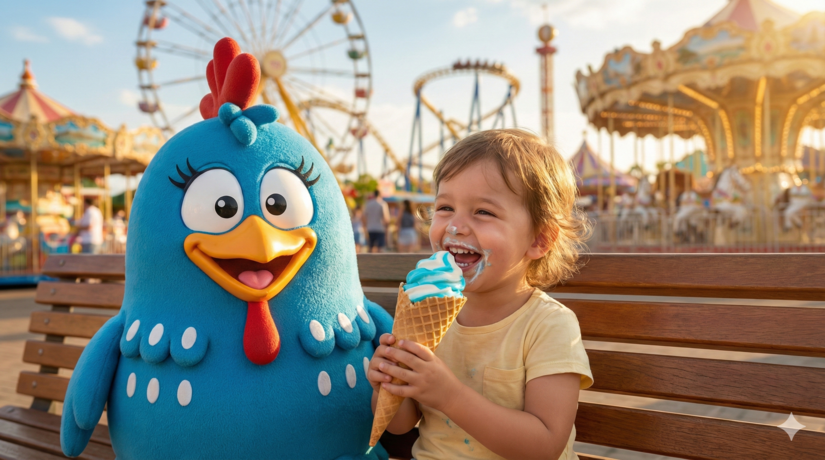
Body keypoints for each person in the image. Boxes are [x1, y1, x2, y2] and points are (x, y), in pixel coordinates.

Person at [367, 129, 593, 460]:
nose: (455, 226)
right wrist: (388, 384)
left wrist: (449, 395)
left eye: (483, 212)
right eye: (445, 207)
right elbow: (400, 426)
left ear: (539, 240)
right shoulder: (432, 311)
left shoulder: (548, 325)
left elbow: (545, 445)